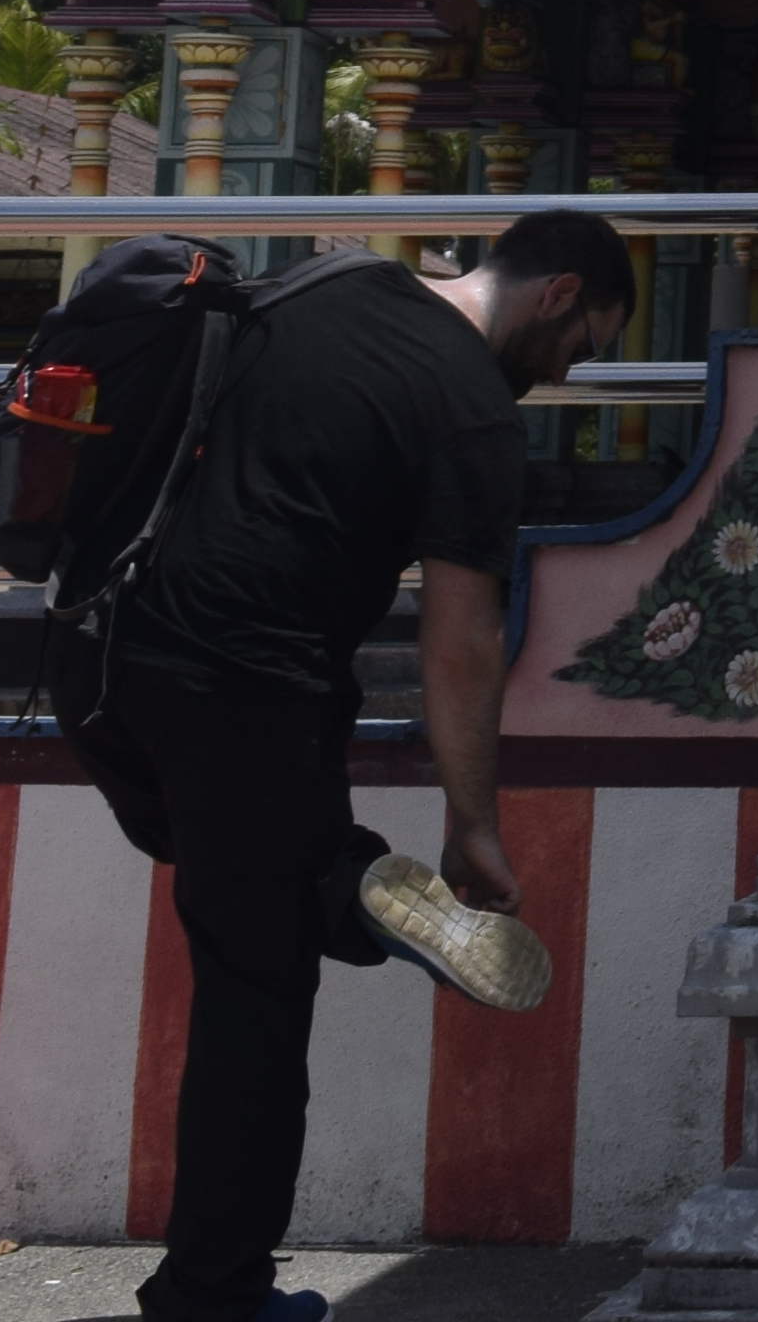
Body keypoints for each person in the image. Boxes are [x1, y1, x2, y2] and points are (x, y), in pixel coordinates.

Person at [59, 209, 633, 1322]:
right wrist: (473, 823)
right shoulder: (472, 408)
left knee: (240, 882)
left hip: (99, 657)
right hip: (246, 692)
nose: (571, 370)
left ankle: (334, 879)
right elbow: (461, 636)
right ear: (558, 293)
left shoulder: (329, 279)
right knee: (256, 988)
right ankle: (213, 1297)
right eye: (588, 342)